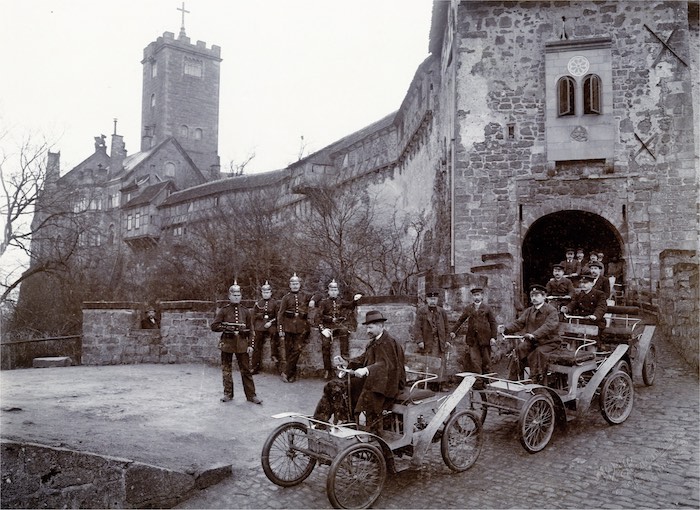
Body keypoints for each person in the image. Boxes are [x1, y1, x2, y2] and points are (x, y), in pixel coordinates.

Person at [313, 310, 406, 433]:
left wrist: (366, 370)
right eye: (367, 328)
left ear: (380, 326)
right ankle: (322, 422)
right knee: (333, 386)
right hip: (373, 381)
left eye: (370, 328)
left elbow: (386, 365)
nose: (367, 331)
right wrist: (345, 362)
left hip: (386, 385)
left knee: (360, 396)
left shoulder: (389, 342)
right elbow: (363, 359)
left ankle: (353, 425)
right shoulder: (374, 342)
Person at [211, 282, 262, 404]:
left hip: (242, 344)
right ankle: (228, 394)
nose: (236, 297)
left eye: (238, 295)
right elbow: (214, 326)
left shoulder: (246, 311)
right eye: (234, 295)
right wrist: (226, 328)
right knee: (226, 369)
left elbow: (251, 330)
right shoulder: (224, 311)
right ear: (229, 296)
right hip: (227, 343)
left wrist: (250, 345)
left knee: (246, 370)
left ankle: (251, 396)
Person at [497, 284, 560, 384]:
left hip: (549, 342)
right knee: (518, 350)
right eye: (532, 296)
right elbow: (519, 323)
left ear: (544, 296)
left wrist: (534, 334)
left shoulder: (551, 310)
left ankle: (535, 382)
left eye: (537, 295)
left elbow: (549, 326)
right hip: (533, 341)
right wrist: (505, 328)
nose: (534, 298)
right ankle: (513, 380)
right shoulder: (529, 311)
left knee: (537, 353)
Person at [450, 287, 497, 388]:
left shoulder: (487, 308)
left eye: (478, 295)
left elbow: (493, 323)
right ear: (472, 297)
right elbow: (460, 320)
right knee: (475, 360)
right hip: (473, 340)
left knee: (486, 360)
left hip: (485, 339)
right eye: (474, 295)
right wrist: (453, 331)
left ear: (482, 296)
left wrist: (493, 337)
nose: (476, 297)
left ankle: (488, 380)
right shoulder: (468, 309)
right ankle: (479, 383)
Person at [315, 279, 362, 380]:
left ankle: (343, 368)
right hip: (327, 327)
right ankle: (327, 370)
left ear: (338, 291)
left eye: (335, 290)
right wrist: (322, 329)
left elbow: (350, 305)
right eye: (331, 290)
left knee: (345, 338)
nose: (333, 292)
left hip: (338, 326)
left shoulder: (340, 301)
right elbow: (318, 317)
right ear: (328, 291)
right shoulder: (323, 303)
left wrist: (355, 300)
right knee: (325, 346)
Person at [278, 273, 315, 383]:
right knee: (289, 351)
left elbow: (318, 295)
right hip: (288, 326)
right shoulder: (286, 298)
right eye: (293, 283)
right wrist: (280, 329)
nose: (295, 285)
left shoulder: (305, 296)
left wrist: (313, 300)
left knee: (297, 350)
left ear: (300, 285)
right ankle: (291, 375)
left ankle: (286, 372)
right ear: (290, 285)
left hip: (302, 327)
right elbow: (280, 314)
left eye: (297, 283)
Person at [412, 288, 450, 389]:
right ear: (427, 300)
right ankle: (431, 384)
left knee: (441, 363)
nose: (433, 301)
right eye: (430, 299)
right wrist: (419, 340)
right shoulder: (422, 311)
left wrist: (447, 340)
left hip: (440, 341)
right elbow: (417, 328)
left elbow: (447, 327)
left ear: (437, 300)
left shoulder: (442, 312)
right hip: (428, 341)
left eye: (435, 299)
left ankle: (441, 384)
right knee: (430, 362)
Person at [251, 281, 281, 375]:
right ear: (262, 293)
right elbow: (253, 315)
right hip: (260, 325)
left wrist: (271, 323)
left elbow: (278, 316)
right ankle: (254, 366)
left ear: (271, 293)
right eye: (264, 292)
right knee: (256, 343)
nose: (266, 294)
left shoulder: (275, 303)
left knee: (274, 334)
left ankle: (274, 355)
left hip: (271, 324)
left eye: (267, 292)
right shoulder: (258, 303)